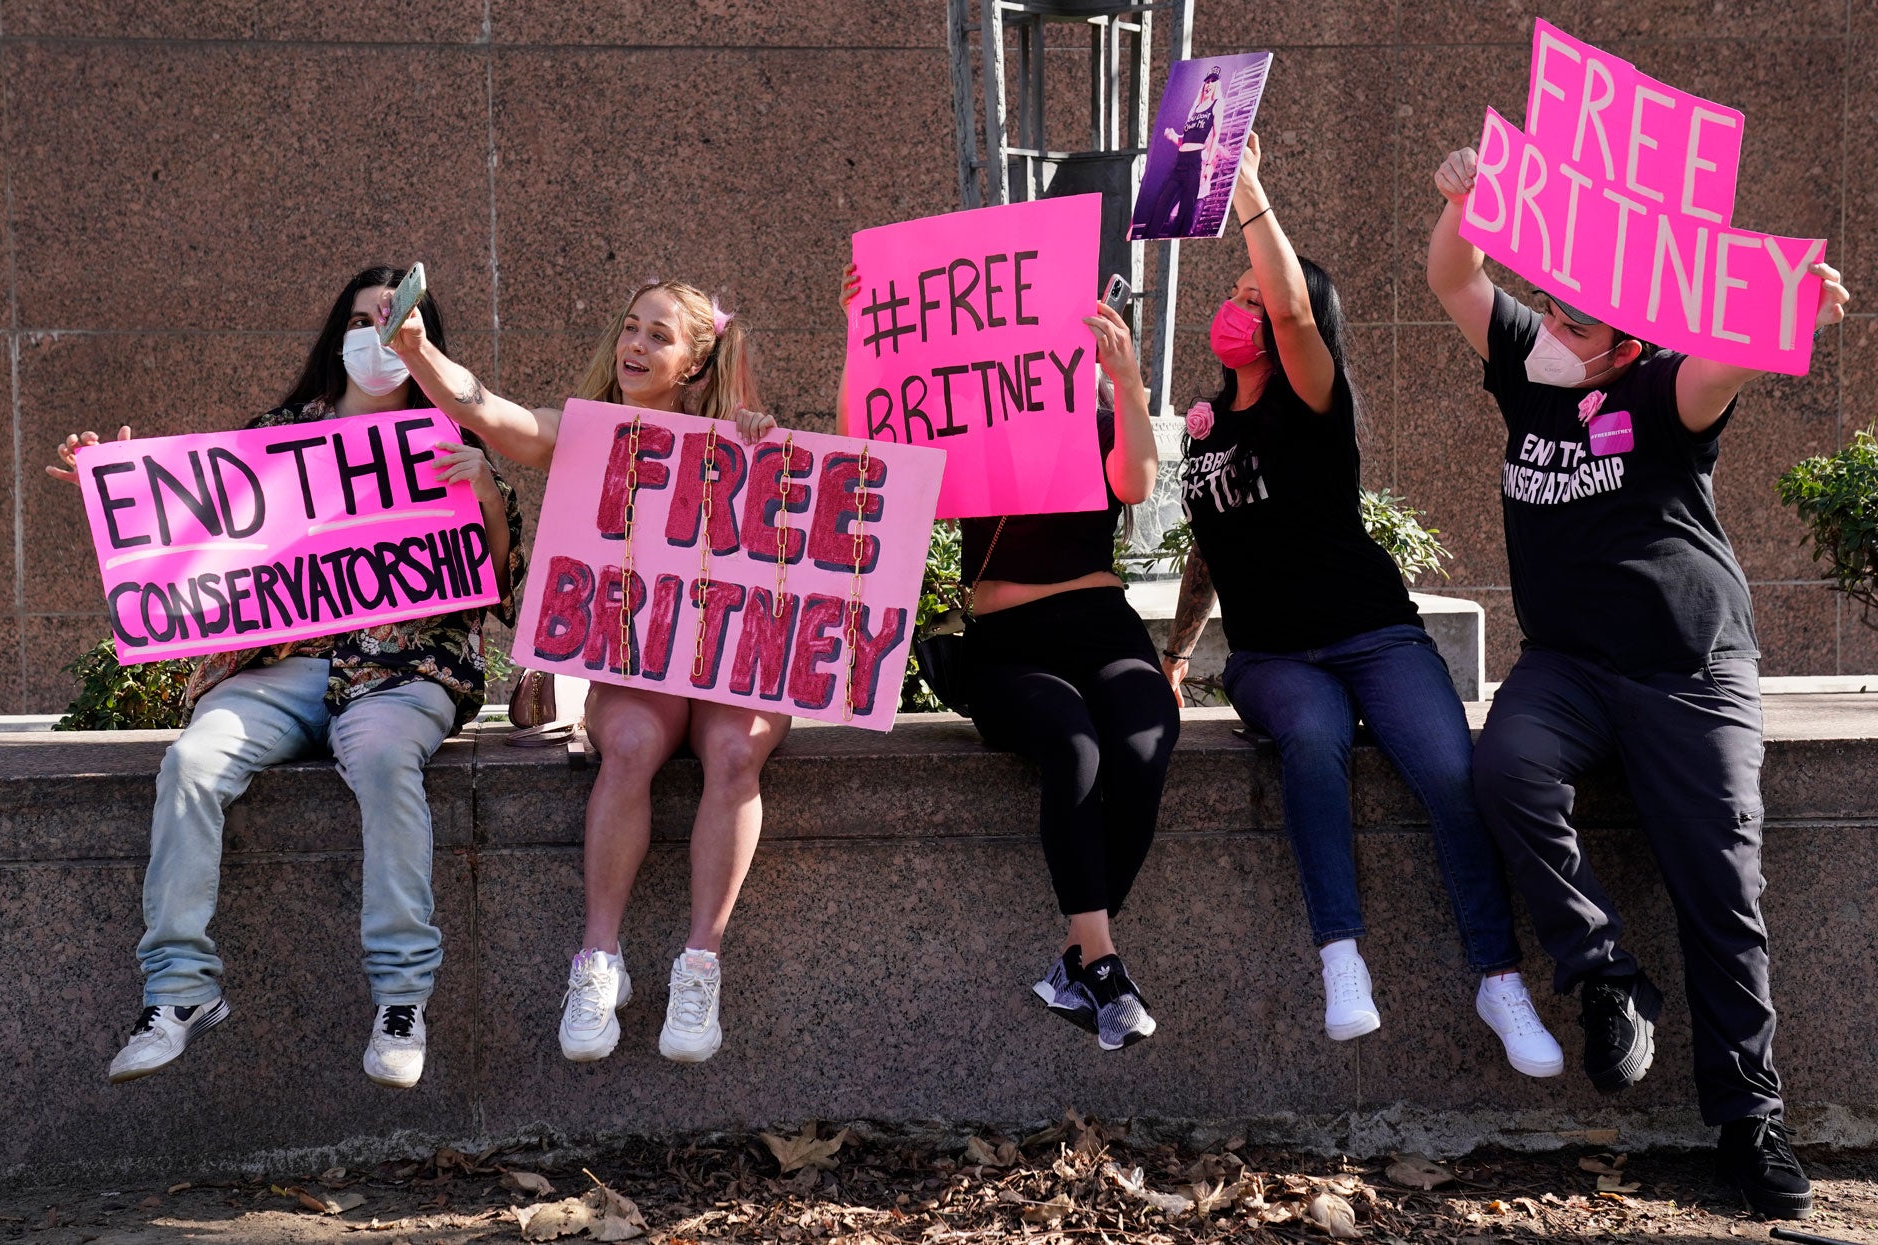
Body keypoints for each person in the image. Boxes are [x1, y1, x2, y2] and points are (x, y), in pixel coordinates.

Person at [1428, 144, 1851, 1219]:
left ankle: (1751, 1122)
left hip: (1689, 668)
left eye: (1576, 325)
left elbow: (1733, 359)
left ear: (1625, 348)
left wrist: (1786, 309)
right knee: (1507, 774)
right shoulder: (1531, 364)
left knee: (1722, 888)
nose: (1551, 329)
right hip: (1566, 666)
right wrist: (1466, 204)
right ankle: (1607, 975)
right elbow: (1454, 279)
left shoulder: (1666, 389)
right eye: (1552, 315)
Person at [48, 266, 524, 1090]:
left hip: (404, 671)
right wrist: (120, 485)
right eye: (363, 316)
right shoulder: (274, 434)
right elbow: (197, 546)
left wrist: (482, 490)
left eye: (397, 317)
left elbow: (505, 586)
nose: (378, 331)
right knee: (192, 764)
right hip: (281, 671)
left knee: (382, 759)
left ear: (425, 340)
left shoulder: (455, 437)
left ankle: (401, 1000)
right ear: (336, 333)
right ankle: (178, 990)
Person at [1162, 133, 1562, 1074]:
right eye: (1241, 292)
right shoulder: (1207, 432)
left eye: (1258, 296)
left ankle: (1498, 976)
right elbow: (1208, 554)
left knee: (1452, 771)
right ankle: (1341, 957)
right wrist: (1178, 654)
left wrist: (1250, 185)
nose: (1243, 304)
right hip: (1274, 660)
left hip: (1375, 634)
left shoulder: (1314, 397)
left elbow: (1297, 314)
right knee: (1311, 741)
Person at [390, 278, 775, 1065]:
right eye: (630, 328)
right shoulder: (591, 432)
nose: (635, 345)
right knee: (629, 744)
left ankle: (699, 963)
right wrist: (418, 352)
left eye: (658, 336)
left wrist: (763, 447)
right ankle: (599, 960)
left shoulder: (742, 437)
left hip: (729, 665)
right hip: (642, 667)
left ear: (696, 361)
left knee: (737, 753)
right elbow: (490, 412)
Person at [839, 256, 1179, 1051]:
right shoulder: (961, 419)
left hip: (1104, 629)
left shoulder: (1099, 419)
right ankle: (1097, 962)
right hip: (1008, 648)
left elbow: (1136, 481)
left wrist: (1126, 381)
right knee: (1073, 741)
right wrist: (864, 339)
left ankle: (1083, 957)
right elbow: (868, 453)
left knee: (1141, 744)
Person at [1133, 68, 1223, 239]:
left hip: (1194, 163)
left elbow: (1216, 134)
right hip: (1180, 161)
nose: (1208, 84)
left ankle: (1177, 239)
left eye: (1213, 81)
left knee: (1185, 209)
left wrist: (1209, 164)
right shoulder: (1195, 108)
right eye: (1207, 81)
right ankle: (1148, 235)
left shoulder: (1216, 104)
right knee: (1162, 202)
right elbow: (1185, 139)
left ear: (1217, 84)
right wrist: (1173, 136)